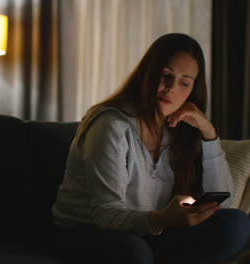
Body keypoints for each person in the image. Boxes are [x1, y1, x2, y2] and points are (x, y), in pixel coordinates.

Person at [52, 33, 250, 264]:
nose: (171, 88)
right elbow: (105, 214)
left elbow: (222, 204)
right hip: (88, 231)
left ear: (193, 90)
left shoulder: (178, 130)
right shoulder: (111, 125)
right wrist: (162, 219)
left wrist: (208, 133)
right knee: (136, 253)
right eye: (165, 75)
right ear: (147, 72)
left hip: (149, 232)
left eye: (184, 82)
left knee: (235, 224)